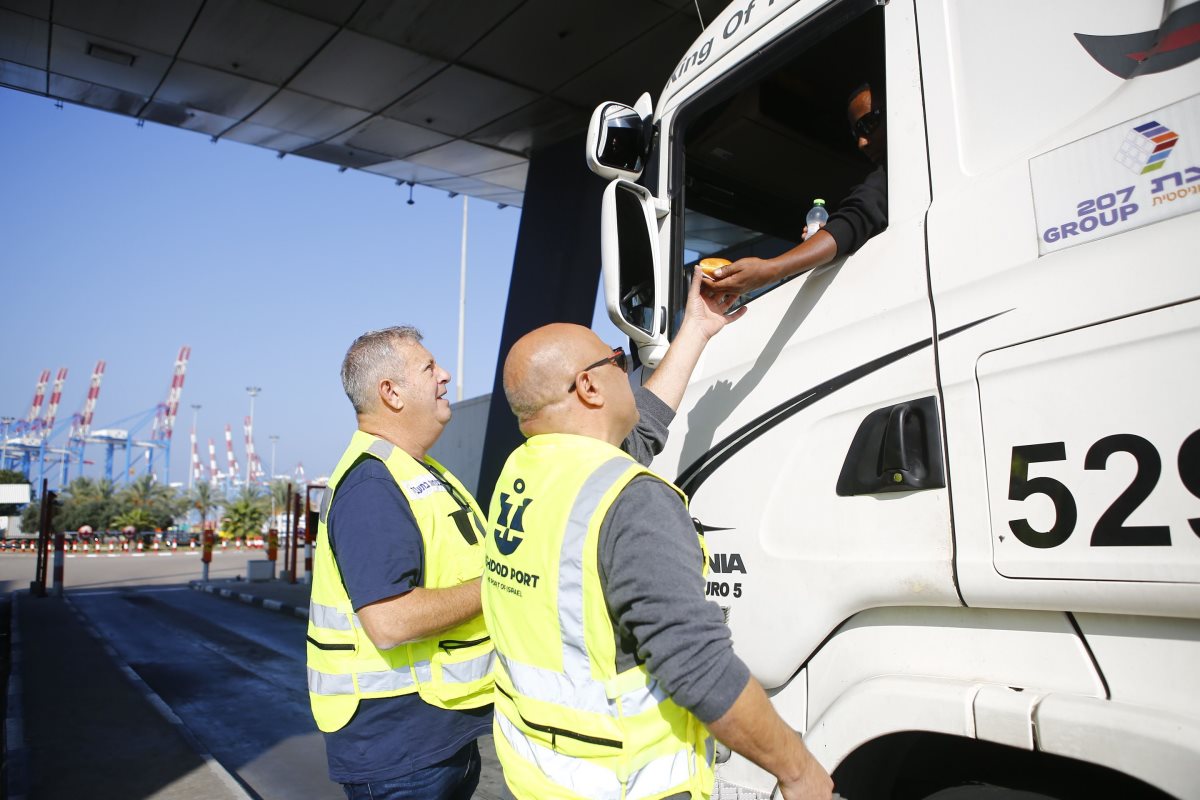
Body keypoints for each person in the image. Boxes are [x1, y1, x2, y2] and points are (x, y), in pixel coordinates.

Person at [482, 267, 834, 799]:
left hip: (542, 780)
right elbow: (701, 671)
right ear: (588, 386)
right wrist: (801, 772)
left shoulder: (525, 474)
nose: (627, 368)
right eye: (617, 359)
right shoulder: (632, 501)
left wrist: (696, 326)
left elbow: (639, 425)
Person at [306, 326, 495, 800]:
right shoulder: (373, 485)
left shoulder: (419, 471)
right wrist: (498, 586)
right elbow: (389, 621)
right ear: (390, 393)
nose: (445, 376)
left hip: (431, 737)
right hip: (399, 752)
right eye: (429, 368)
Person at [705, 82, 887, 299]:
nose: (861, 143)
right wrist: (825, 239)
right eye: (855, 132)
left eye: (868, 124)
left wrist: (770, 270)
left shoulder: (894, 172)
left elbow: (855, 219)